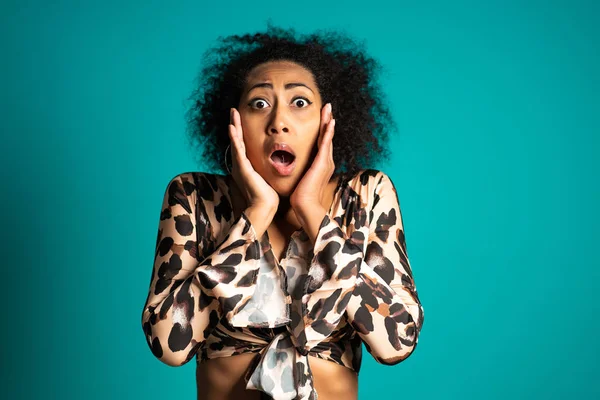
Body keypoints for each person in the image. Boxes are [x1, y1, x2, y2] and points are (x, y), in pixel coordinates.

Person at [141, 25, 425, 400]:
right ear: (234, 124)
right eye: (259, 103)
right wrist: (256, 214)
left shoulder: (365, 194)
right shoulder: (195, 197)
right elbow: (169, 344)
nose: (278, 121)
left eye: (300, 102)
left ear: (329, 121)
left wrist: (312, 213)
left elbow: (396, 342)